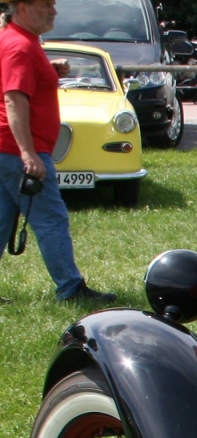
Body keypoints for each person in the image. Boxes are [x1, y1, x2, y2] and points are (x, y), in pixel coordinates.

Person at [0, 0, 114, 304]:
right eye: (46, 5)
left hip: (6, 149)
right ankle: (71, 288)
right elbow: (13, 100)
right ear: (23, 7)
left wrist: (48, 71)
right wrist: (28, 153)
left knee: (1, 221)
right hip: (18, 151)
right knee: (51, 219)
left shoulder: (18, 41)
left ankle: (70, 286)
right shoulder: (19, 47)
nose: (54, 11)